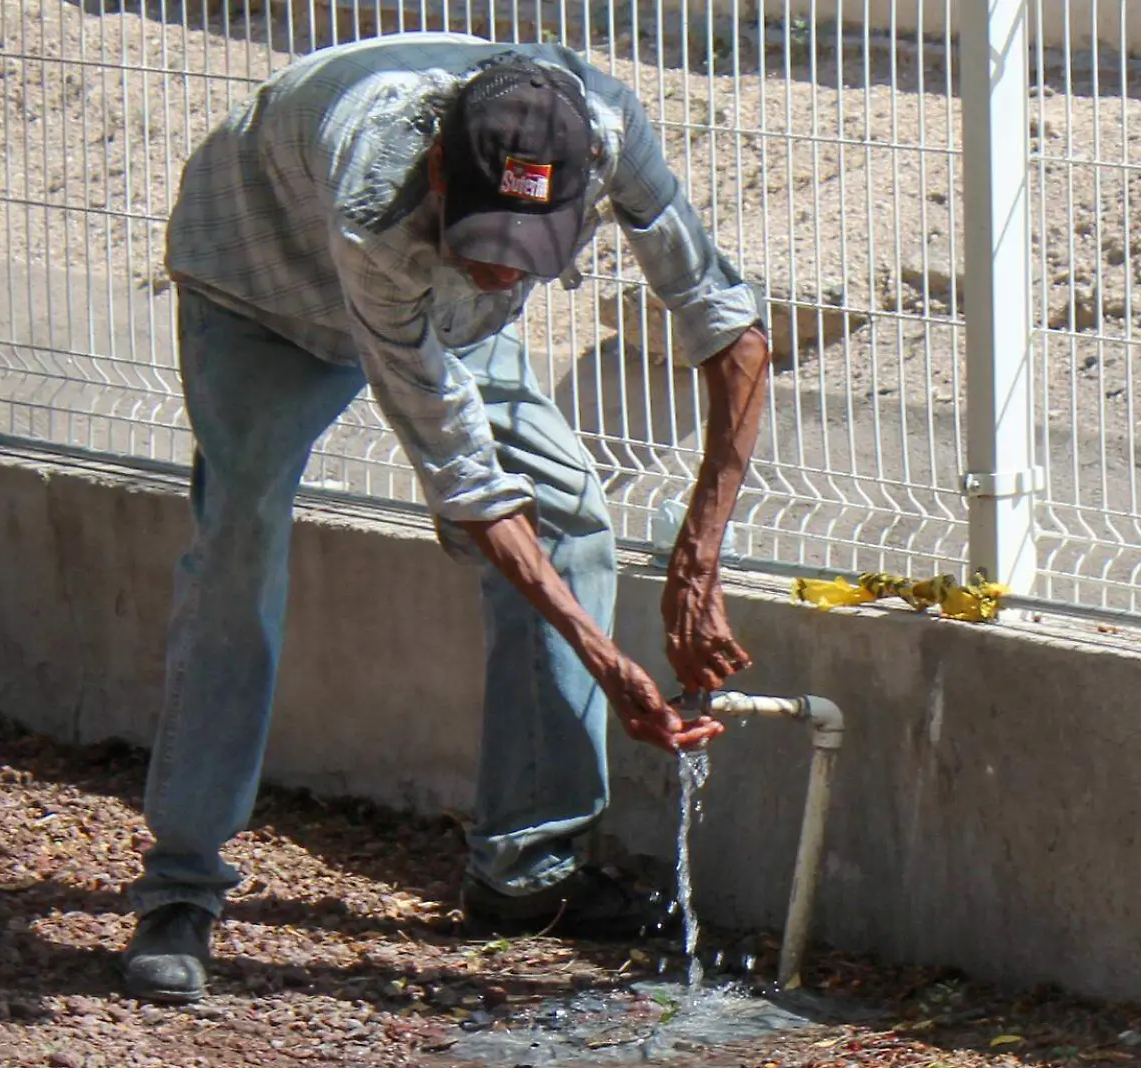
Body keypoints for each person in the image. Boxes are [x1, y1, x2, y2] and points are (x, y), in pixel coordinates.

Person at [118, 30, 773, 1003]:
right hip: (258, 288)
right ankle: (180, 885)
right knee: (240, 544)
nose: (510, 275)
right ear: (436, 172)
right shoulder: (371, 205)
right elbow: (465, 480)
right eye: (490, 248)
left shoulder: (605, 128)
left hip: (441, 317)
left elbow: (728, 324)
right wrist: (607, 659)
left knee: (569, 514)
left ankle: (525, 872)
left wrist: (697, 563)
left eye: (530, 253)